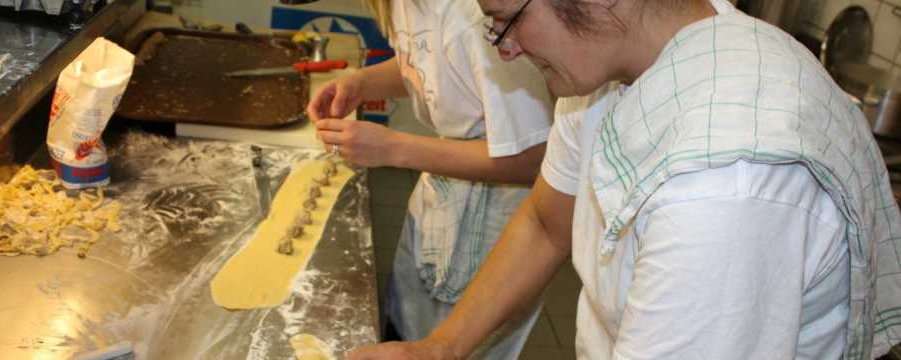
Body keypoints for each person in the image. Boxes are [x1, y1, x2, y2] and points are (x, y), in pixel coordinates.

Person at [348, 0, 901, 359]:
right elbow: (546, 222)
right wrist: (441, 348)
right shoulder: (612, 61)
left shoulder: (727, 182)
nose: (506, 48)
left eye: (506, 21)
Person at [306, 0, 560, 358]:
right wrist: (362, 84)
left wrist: (393, 149)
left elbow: (535, 158)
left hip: (492, 225)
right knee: (402, 330)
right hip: (441, 191)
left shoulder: (479, 13)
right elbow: (432, 63)